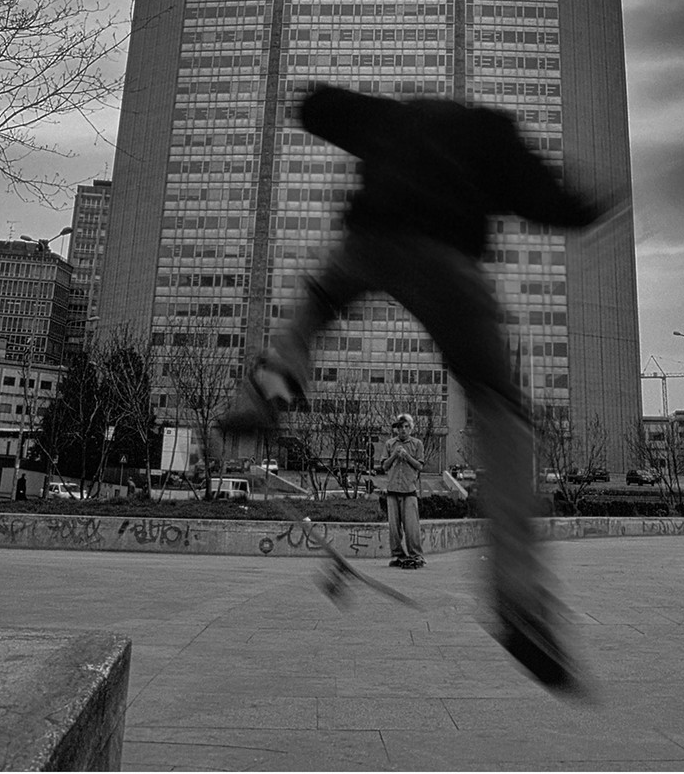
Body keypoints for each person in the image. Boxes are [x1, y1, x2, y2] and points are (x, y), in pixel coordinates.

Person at [220, 83, 609, 695]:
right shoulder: (492, 134)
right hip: (445, 259)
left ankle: (269, 388)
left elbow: (324, 110)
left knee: (316, 304)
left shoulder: (397, 118)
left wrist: (312, 102)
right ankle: (518, 592)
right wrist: (589, 205)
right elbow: (549, 200)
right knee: (501, 407)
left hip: (367, 242)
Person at [382, 414, 426, 569]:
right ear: (397, 429)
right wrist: (395, 454)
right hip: (393, 490)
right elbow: (384, 466)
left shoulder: (417, 444)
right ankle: (397, 555)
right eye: (400, 427)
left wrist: (407, 456)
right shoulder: (390, 444)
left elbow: (419, 466)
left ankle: (416, 555)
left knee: (412, 527)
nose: (403, 430)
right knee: (394, 528)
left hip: (409, 490)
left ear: (411, 428)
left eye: (406, 427)